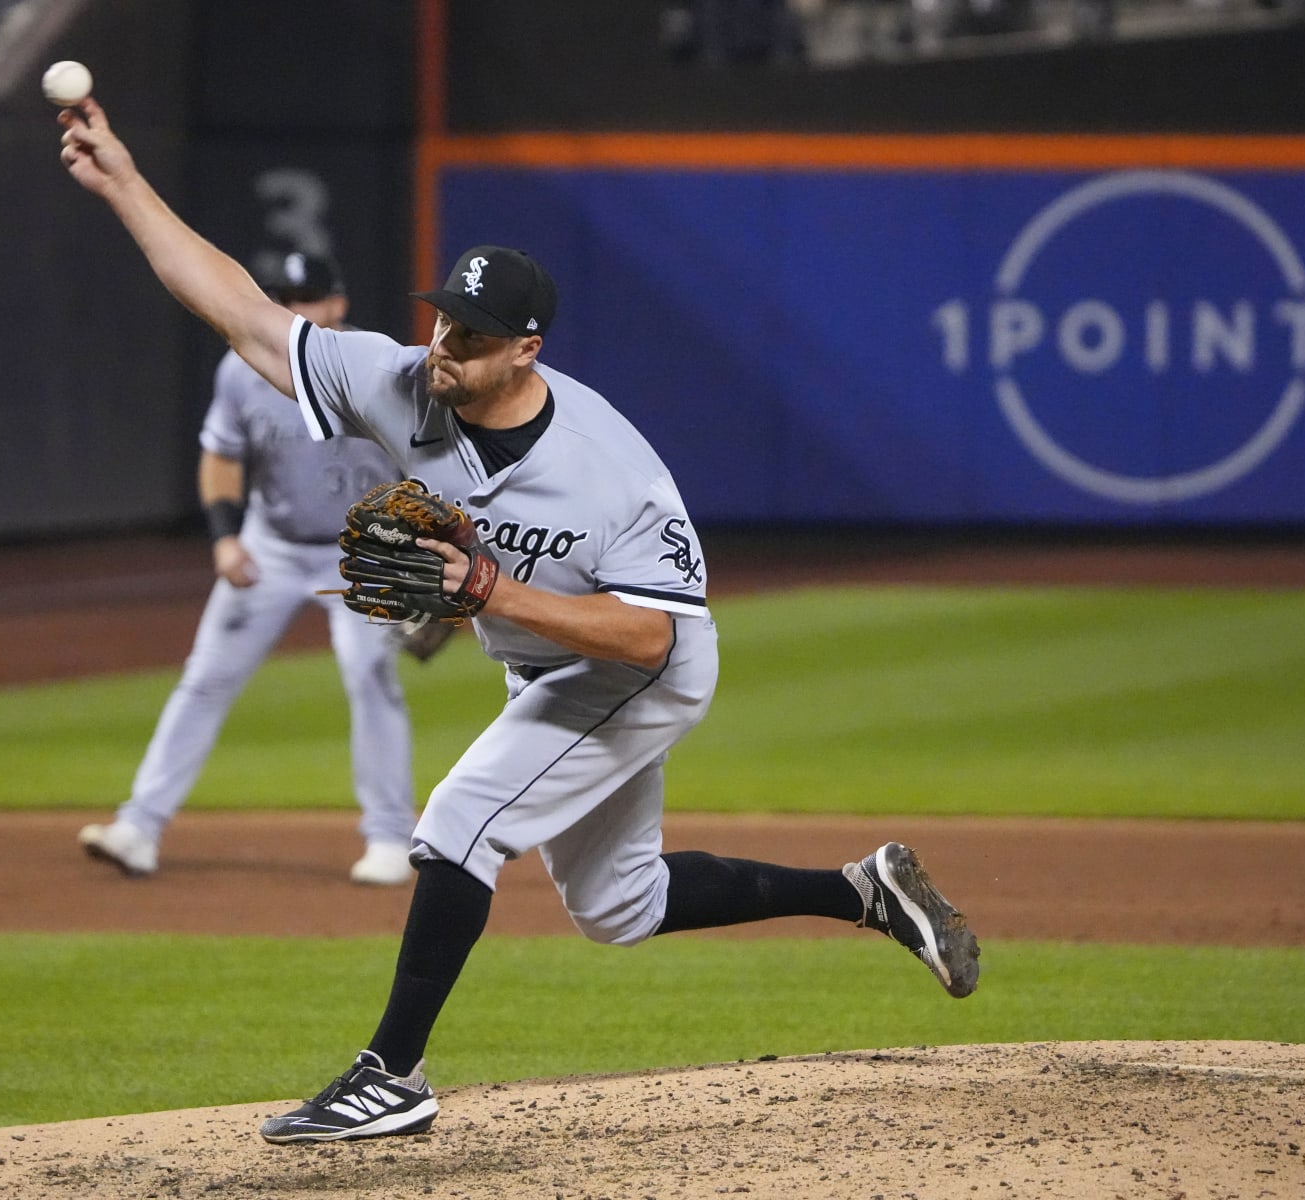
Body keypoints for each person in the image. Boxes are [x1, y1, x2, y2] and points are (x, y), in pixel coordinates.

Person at [57, 94, 981, 1145]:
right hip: (547, 662)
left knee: (459, 824)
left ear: (526, 350)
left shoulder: (611, 473)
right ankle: (863, 891)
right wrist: (125, 181)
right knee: (617, 907)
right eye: (444, 317)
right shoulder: (407, 383)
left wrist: (489, 595)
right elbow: (245, 314)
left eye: (474, 334)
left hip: (639, 670)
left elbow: (656, 638)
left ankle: (388, 1075)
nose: (445, 343)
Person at [77, 249, 420, 887]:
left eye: (306, 301)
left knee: (370, 674)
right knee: (205, 679)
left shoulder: (379, 367)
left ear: (337, 305)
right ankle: (139, 826)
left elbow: (427, 464)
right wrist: (225, 539)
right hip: (274, 543)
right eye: (284, 300)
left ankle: (389, 838)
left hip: (360, 552)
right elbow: (221, 456)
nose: (293, 313)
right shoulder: (242, 368)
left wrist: (415, 553)